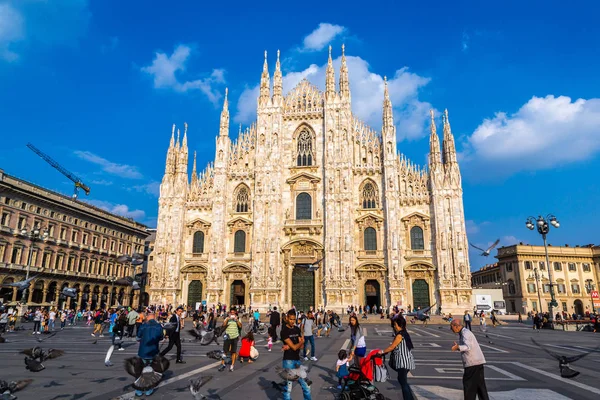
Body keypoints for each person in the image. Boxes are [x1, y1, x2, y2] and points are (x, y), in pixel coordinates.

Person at [450, 319, 490, 400]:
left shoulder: (465, 333)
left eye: (451, 327)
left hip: (472, 365)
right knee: (480, 387)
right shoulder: (464, 332)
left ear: (456, 326)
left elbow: (468, 347)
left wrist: (458, 347)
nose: (451, 329)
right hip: (477, 363)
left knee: (469, 387)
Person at [379, 315, 415, 400]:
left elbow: (392, 346)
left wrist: (382, 352)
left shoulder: (399, 335)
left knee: (403, 382)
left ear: (400, 325)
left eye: (395, 325)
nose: (394, 327)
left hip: (403, 362)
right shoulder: (404, 333)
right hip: (407, 361)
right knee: (402, 381)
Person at [280, 309, 310, 400]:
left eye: (294, 319)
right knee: (288, 388)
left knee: (306, 386)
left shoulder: (297, 329)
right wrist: (300, 343)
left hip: (297, 360)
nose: (292, 321)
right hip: (288, 360)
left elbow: (300, 347)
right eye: (291, 319)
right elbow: (295, 347)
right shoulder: (284, 331)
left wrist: (298, 344)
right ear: (287, 318)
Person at [136, 309, 164, 397]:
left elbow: (138, 336)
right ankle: (148, 390)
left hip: (143, 351)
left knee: (140, 371)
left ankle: (139, 391)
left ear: (148, 317)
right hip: (153, 351)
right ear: (154, 318)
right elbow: (161, 337)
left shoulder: (144, 325)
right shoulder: (159, 326)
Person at [219, 307, 242, 372]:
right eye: (231, 312)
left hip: (235, 336)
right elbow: (223, 325)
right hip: (227, 336)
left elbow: (240, 326)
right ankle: (223, 364)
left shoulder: (238, 319)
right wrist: (227, 319)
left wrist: (236, 320)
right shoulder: (227, 318)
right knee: (225, 351)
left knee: (233, 352)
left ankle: (232, 365)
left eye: (233, 313)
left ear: (235, 313)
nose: (232, 314)